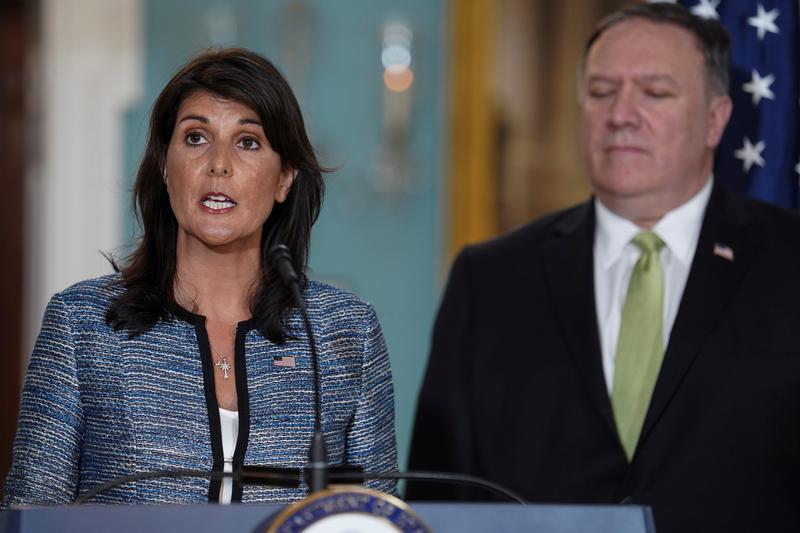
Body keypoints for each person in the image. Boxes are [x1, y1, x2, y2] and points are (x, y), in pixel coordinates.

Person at [407, 3, 800, 532]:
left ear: (715, 120)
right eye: (600, 92)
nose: (621, 114)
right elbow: (440, 495)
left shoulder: (788, 261)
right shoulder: (492, 279)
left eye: (655, 93)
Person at [2, 47, 397, 506]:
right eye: (195, 138)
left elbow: (376, 519)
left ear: (285, 177)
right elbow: (29, 517)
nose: (218, 164)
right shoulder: (83, 324)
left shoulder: (343, 331)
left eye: (248, 141)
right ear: (166, 167)